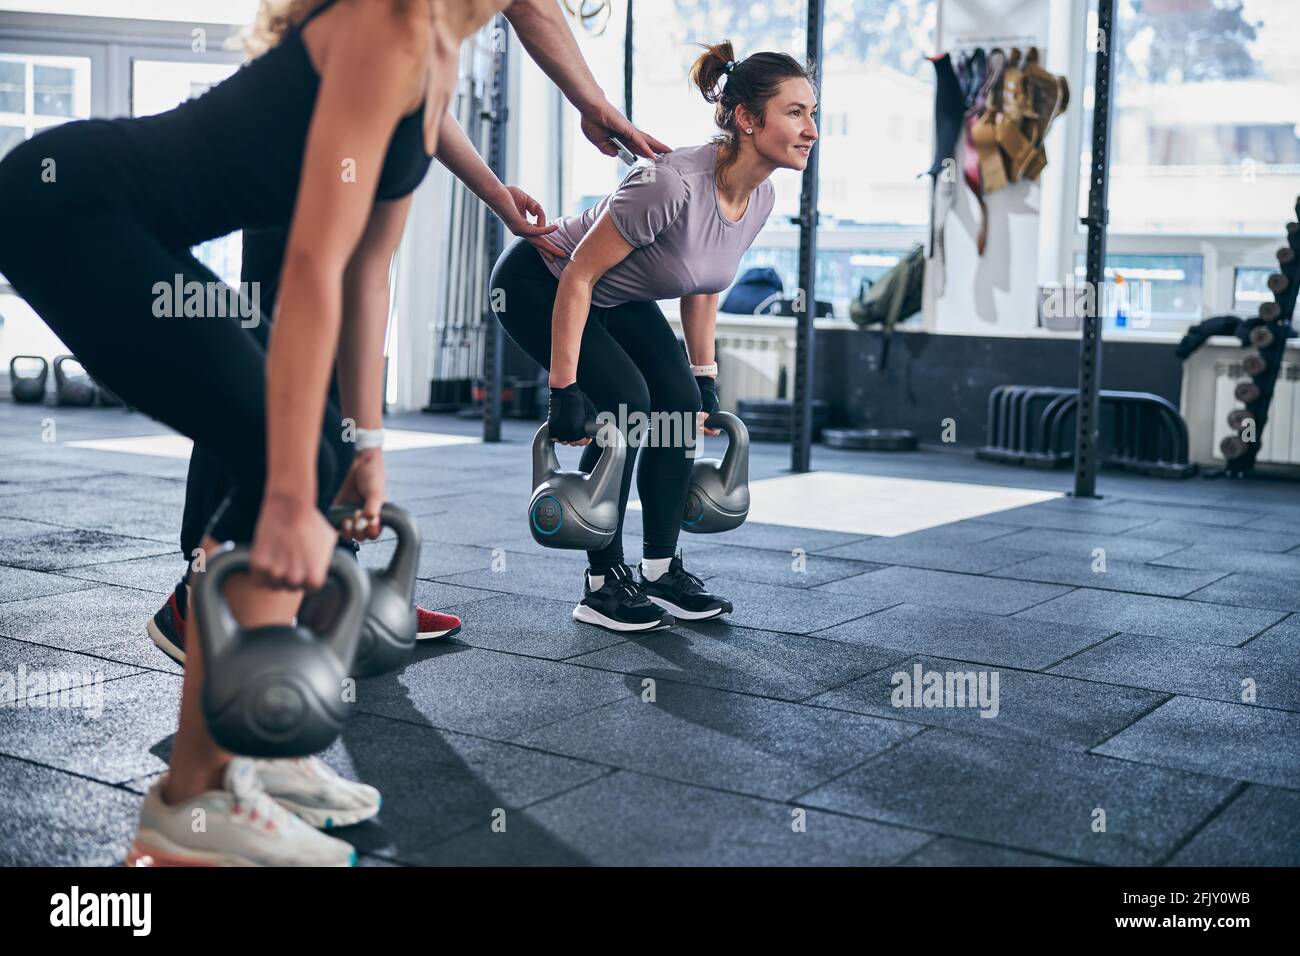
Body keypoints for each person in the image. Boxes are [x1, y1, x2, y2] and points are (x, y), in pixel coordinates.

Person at [0, 0, 664, 867]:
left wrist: (369, 448)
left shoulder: (432, 64)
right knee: (287, 457)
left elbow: (367, 276)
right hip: (70, 210)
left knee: (319, 454)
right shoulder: (385, 28)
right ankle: (193, 809)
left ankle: (252, 763)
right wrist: (288, 491)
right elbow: (313, 264)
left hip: (122, 221)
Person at [490, 40, 818, 633]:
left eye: (811, 113)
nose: (810, 129)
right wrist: (564, 390)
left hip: (615, 296)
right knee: (628, 406)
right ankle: (600, 584)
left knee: (678, 405)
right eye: (795, 112)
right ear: (747, 118)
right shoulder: (669, 183)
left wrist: (703, 375)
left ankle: (661, 568)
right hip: (542, 282)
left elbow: (703, 281)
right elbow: (579, 275)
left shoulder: (759, 195)